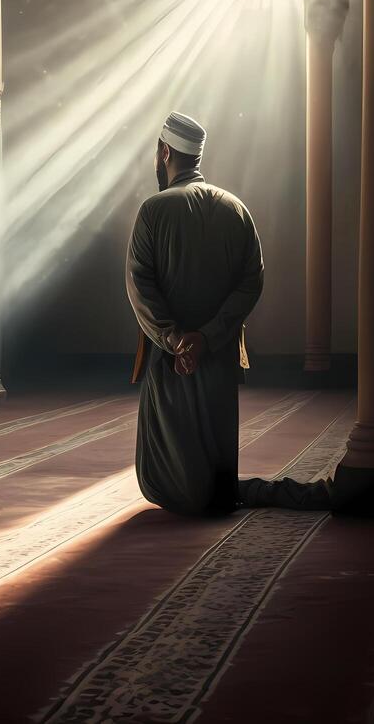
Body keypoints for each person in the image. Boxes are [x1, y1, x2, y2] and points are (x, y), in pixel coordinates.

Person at [126, 112, 263, 515]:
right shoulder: (237, 210)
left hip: (170, 360)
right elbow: (252, 283)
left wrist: (174, 339)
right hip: (216, 357)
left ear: (165, 152)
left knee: (165, 469)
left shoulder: (153, 211)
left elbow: (139, 286)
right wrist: (208, 337)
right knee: (216, 451)